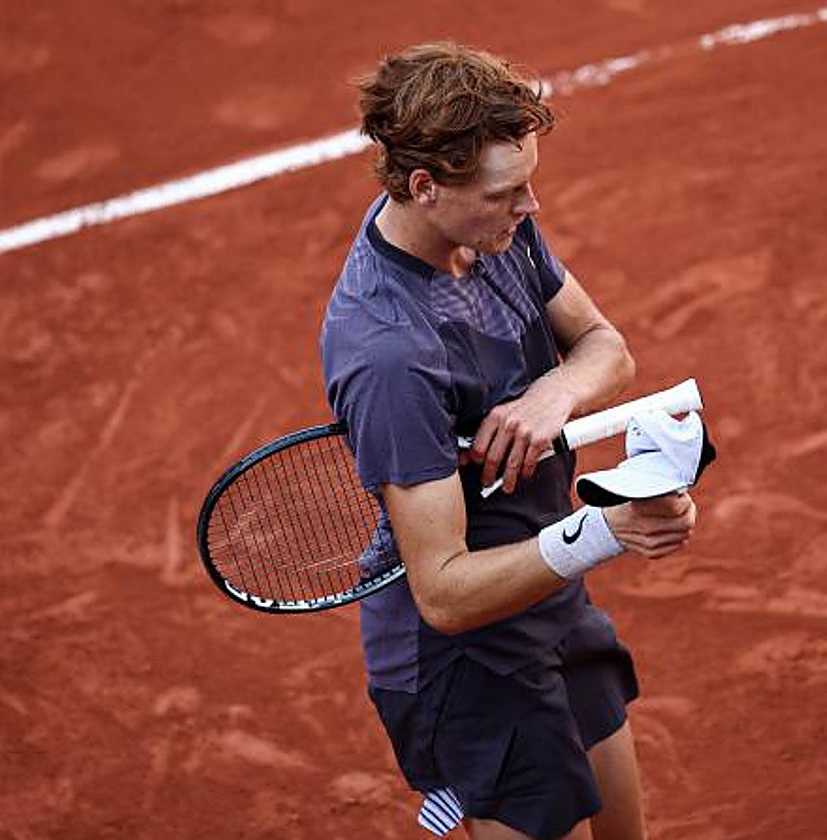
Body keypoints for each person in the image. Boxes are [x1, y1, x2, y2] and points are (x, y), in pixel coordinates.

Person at [321, 42, 698, 840]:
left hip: (547, 590)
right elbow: (444, 592)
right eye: (507, 192)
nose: (529, 206)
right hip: (464, 662)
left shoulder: (490, 230)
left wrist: (551, 393)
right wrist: (606, 531)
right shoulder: (390, 351)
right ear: (425, 187)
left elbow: (605, 346)